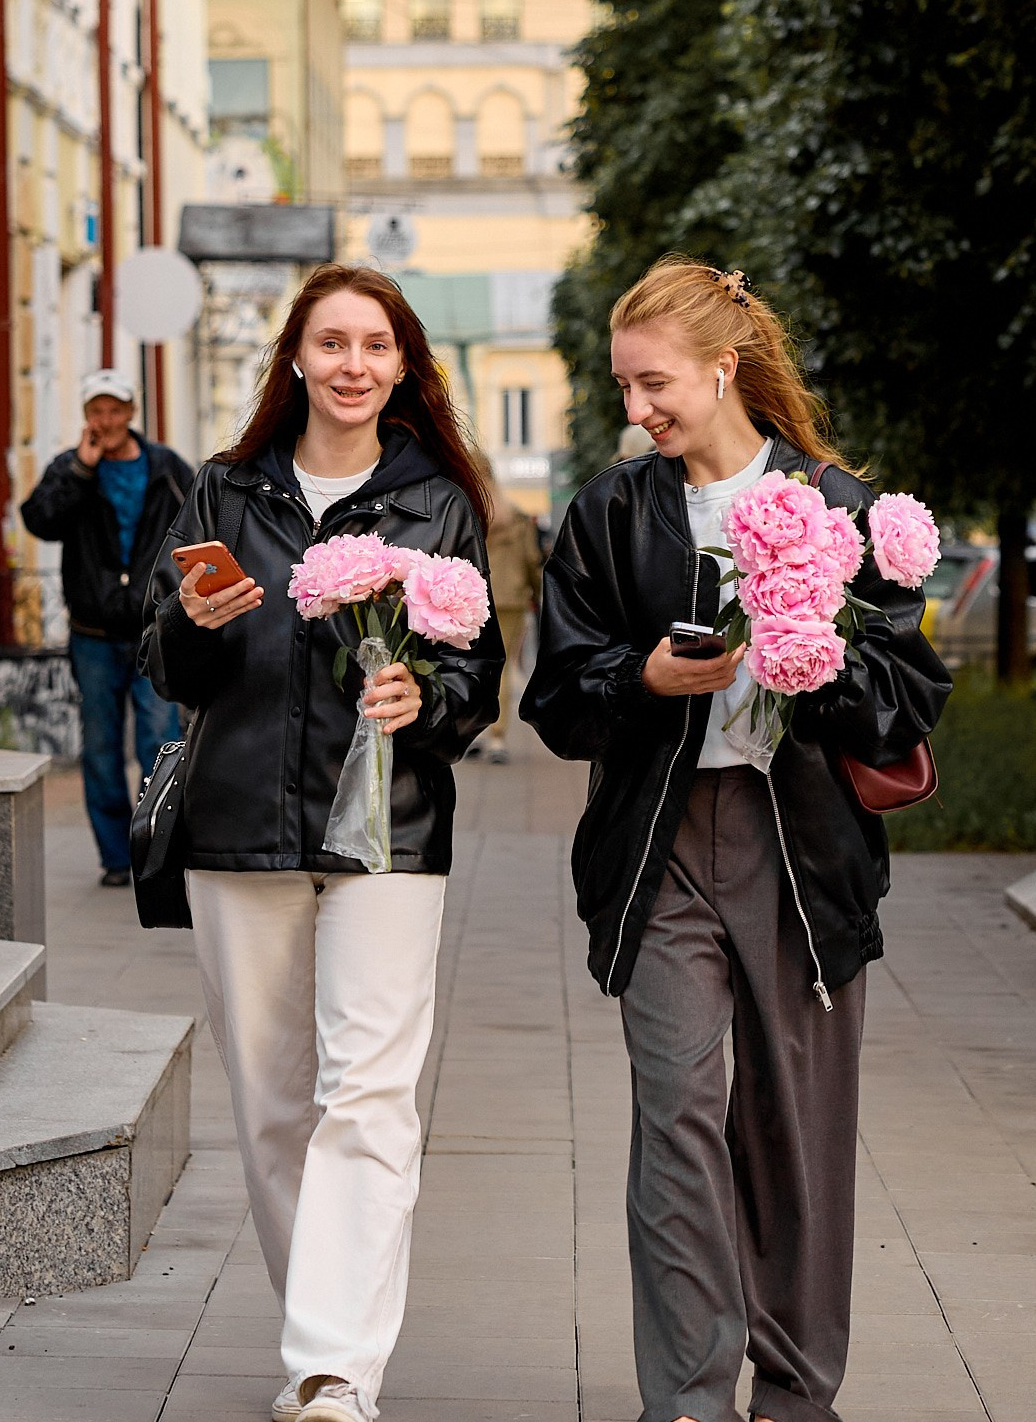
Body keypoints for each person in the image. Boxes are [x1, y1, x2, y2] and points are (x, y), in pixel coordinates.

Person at [523, 257, 950, 1422]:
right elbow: (556, 696)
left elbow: (907, 700)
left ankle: (797, 1394)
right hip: (660, 850)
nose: (637, 409)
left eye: (654, 383)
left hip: (799, 855)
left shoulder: (841, 506)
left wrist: (816, 656)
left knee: (792, 1130)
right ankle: (688, 1397)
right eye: (624, 386)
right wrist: (643, 679)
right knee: (674, 1117)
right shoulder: (614, 511)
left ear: (723, 367)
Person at [139, 264, 502, 1422]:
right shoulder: (223, 488)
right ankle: (323, 1336)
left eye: (375, 345)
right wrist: (193, 624)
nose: (353, 364)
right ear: (295, 355)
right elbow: (164, 662)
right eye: (332, 342)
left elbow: (478, 674)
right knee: (271, 1107)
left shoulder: (437, 501)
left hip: (388, 828)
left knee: (369, 1095)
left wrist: (426, 702)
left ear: (403, 366)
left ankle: (332, 1369)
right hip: (239, 824)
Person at [20, 367, 195, 887]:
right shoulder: (70, 467)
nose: (106, 420)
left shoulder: (165, 466)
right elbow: (40, 520)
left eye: (115, 410)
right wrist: (80, 469)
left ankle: (154, 852)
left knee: (158, 742)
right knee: (100, 749)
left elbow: (202, 523)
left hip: (153, 632)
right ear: (86, 417)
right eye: (96, 411)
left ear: (131, 413)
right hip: (92, 636)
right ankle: (117, 859)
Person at [474, 455, 545, 764]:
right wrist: (538, 593)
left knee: (474, 666)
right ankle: (497, 737)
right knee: (501, 667)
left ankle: (477, 730)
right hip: (512, 598)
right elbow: (531, 560)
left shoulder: (467, 512)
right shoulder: (514, 515)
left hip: (472, 598)